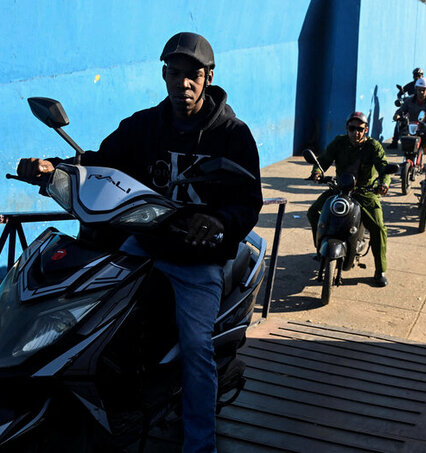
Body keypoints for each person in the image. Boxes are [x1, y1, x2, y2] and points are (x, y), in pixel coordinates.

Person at [16, 32, 263, 452]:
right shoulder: (143, 126)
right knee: (85, 316)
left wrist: (219, 220)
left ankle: (200, 445)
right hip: (142, 247)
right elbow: (98, 162)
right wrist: (51, 168)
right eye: (176, 73)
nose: (184, 84)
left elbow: (248, 201)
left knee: (196, 345)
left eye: (194, 75)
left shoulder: (233, 135)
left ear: (209, 77)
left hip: (195, 261)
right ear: (164, 74)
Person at [307, 112, 391, 286]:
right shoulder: (339, 142)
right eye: (352, 128)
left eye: (360, 129)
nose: (356, 132)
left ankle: (380, 269)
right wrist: (317, 171)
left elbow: (383, 166)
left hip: (365, 191)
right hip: (340, 188)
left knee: (378, 227)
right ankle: (321, 248)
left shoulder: (373, 146)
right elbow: (323, 160)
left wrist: (384, 183)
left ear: (366, 130)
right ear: (347, 128)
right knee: (314, 212)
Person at [392, 77, 426, 150]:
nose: (421, 92)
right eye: (419, 89)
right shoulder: (409, 100)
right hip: (411, 127)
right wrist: (397, 115)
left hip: (425, 127)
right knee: (405, 145)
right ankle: (394, 142)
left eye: (423, 90)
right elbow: (401, 110)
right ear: (416, 89)